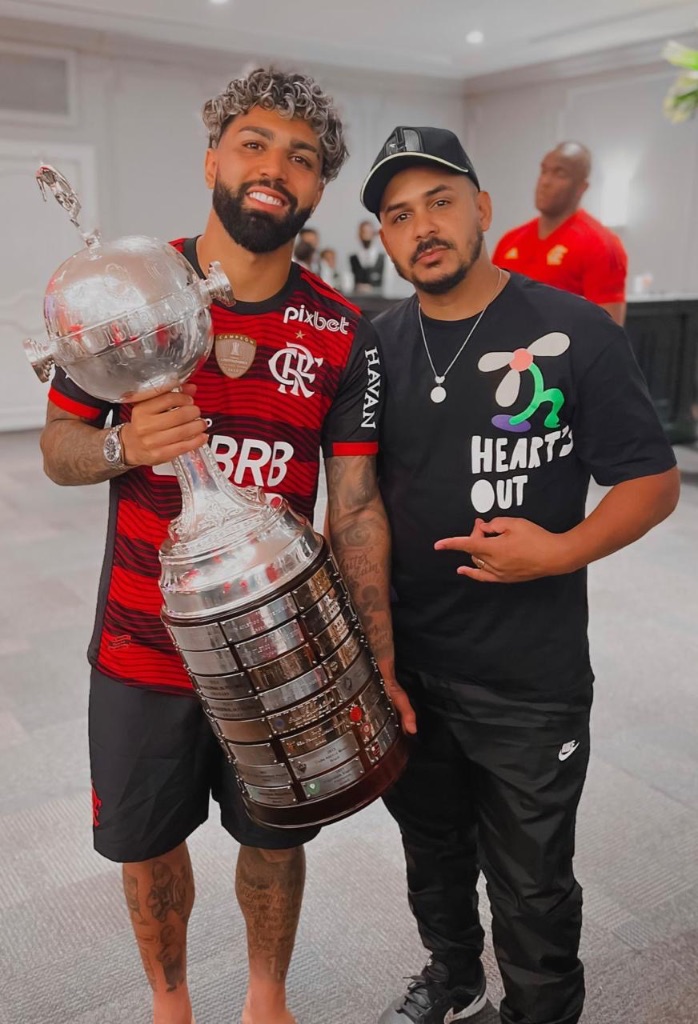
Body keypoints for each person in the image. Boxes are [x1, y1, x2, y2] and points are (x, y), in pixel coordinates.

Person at [39, 69, 414, 1024]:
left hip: (281, 658)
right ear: (214, 157)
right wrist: (127, 444)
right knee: (146, 845)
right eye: (254, 143)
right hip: (142, 645)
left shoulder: (343, 331)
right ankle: (171, 1005)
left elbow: (359, 504)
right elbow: (59, 450)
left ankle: (265, 1000)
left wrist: (373, 655)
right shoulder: (126, 291)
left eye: (300, 157)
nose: (273, 168)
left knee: (276, 838)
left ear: (319, 187)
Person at [360, 125, 679, 1024]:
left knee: (533, 882)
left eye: (440, 202)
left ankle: (539, 1011)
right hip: (410, 668)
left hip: (528, 676)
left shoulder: (571, 331)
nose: (422, 226)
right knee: (432, 851)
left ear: (482, 210)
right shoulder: (376, 347)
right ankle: (453, 977)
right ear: (384, 237)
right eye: (398, 214)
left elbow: (652, 483)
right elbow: (355, 497)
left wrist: (562, 547)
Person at [493, 142, 628, 325]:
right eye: (544, 171)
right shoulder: (510, 241)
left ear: (582, 187)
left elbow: (608, 332)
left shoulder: (602, 245)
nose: (545, 181)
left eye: (559, 174)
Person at [349, 219, 385, 292]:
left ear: (373, 233)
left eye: (368, 232)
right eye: (363, 232)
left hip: (379, 300)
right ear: (359, 235)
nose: (366, 235)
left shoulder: (383, 258)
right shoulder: (353, 258)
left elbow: (387, 283)